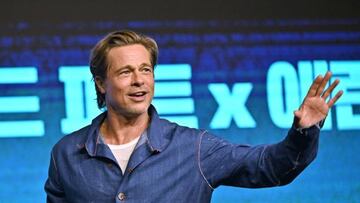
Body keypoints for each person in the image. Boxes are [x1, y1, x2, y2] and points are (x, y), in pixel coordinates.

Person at [44, 30, 343, 202]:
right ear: (100, 83)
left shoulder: (194, 148)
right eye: (125, 72)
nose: (139, 80)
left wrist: (304, 132)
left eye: (146, 70)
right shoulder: (67, 155)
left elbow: (270, 167)